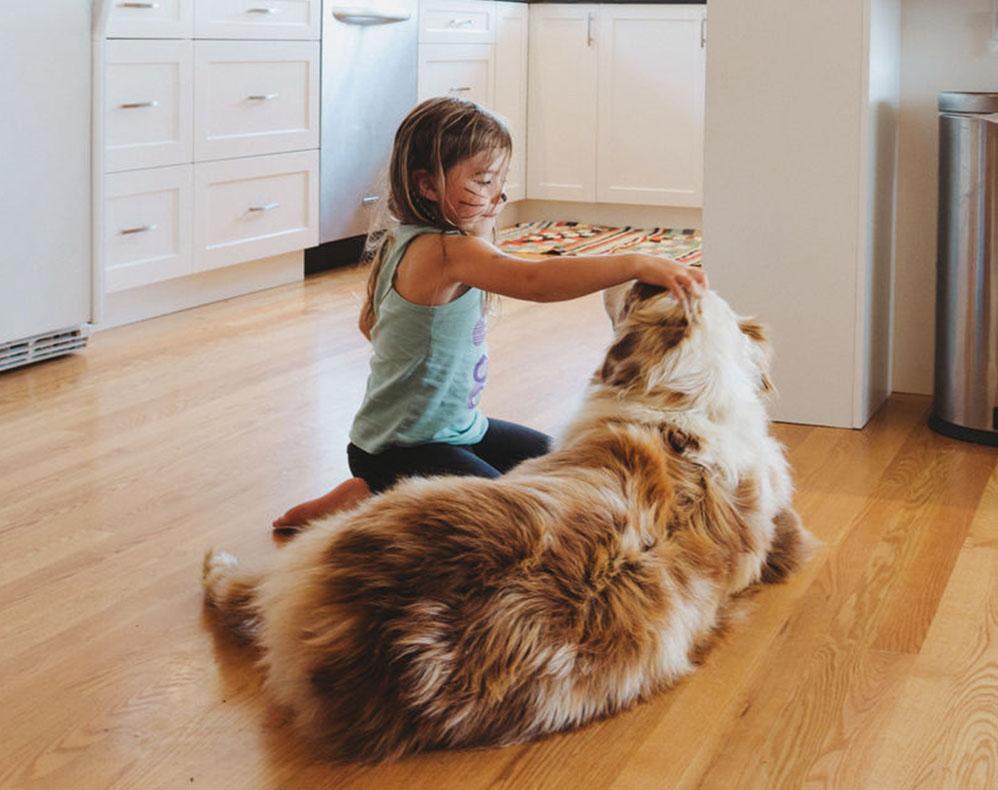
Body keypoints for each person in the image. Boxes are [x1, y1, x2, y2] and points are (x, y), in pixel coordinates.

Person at [273, 96, 708, 532]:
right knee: (521, 514)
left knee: (566, 461)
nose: (499, 194)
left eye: (500, 179)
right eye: (483, 180)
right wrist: (633, 262)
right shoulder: (446, 251)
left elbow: (371, 324)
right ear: (427, 186)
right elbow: (536, 282)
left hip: (457, 429)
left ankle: (370, 491)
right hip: (403, 447)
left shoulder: (406, 241)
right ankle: (380, 493)